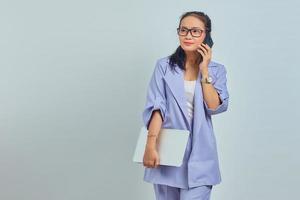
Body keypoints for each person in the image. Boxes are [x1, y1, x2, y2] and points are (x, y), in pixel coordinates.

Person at [142, 11, 229, 200]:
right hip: (167, 152)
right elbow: (158, 108)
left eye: (196, 31)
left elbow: (214, 106)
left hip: (201, 154)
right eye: (184, 30)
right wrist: (150, 145)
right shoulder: (164, 66)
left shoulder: (217, 70)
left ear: (207, 34)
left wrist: (204, 70)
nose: (188, 35)